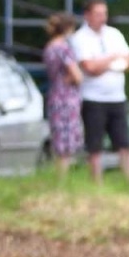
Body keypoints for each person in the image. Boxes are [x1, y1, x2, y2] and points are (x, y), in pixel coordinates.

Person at [70, 0, 129, 183]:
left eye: (104, 13)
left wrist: (104, 63)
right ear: (87, 15)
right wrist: (112, 59)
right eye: (98, 14)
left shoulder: (114, 34)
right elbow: (90, 68)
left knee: (124, 143)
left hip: (117, 97)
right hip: (93, 99)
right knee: (95, 146)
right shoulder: (80, 38)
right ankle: (97, 183)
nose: (102, 18)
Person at [43, 11, 86, 177]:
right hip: (67, 97)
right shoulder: (64, 48)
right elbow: (77, 75)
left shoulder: (49, 47)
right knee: (66, 142)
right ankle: (62, 177)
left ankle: (60, 175)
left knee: (58, 137)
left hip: (55, 94)